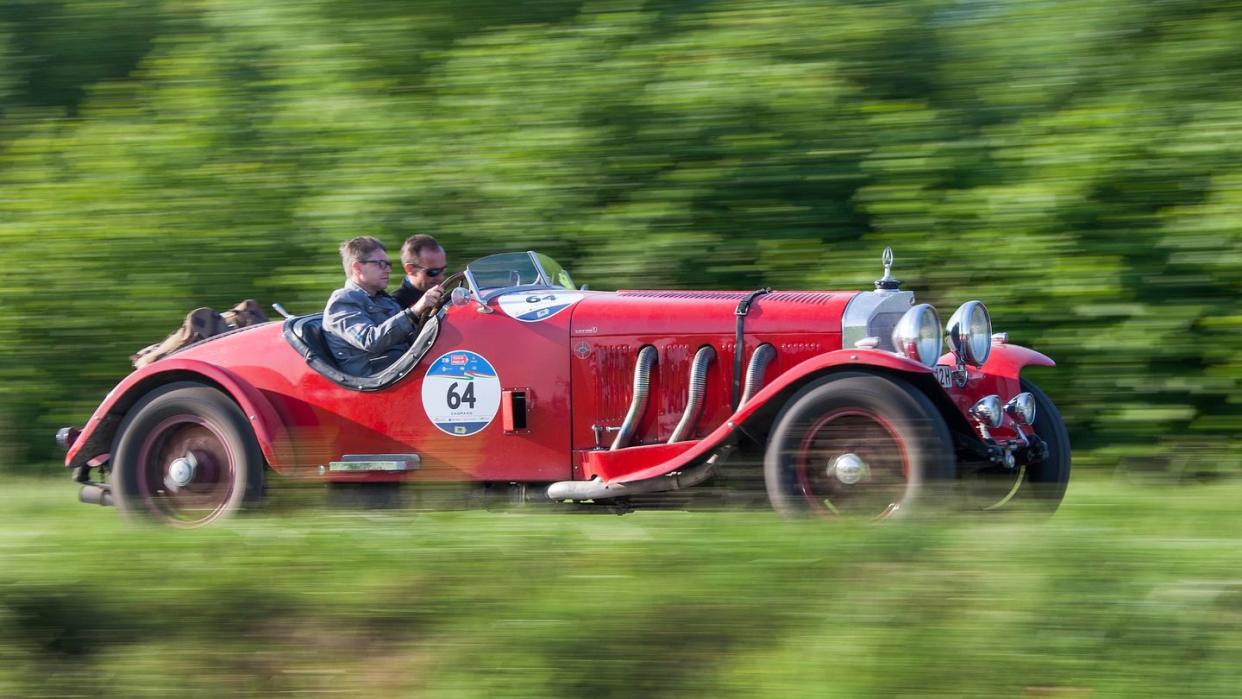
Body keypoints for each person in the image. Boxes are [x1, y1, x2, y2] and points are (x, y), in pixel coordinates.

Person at [324, 236, 443, 375]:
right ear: (357, 267)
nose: (388, 270)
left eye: (388, 264)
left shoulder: (384, 300)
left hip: (405, 370)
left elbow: (413, 338)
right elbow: (370, 340)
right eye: (380, 264)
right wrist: (415, 311)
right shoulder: (342, 301)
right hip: (379, 383)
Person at [392, 234, 448, 310]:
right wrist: (415, 311)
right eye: (433, 272)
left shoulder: (447, 296)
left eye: (443, 269)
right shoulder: (394, 304)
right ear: (410, 269)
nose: (441, 277)